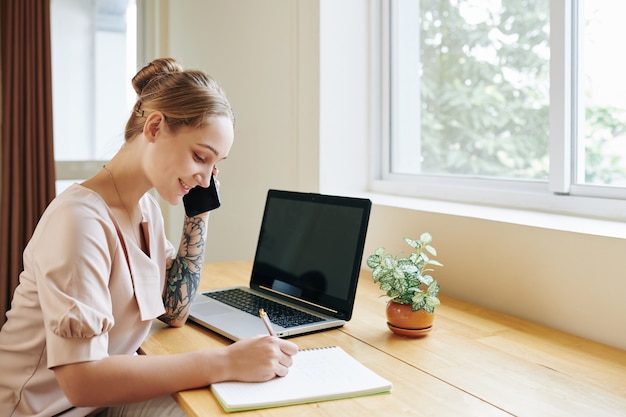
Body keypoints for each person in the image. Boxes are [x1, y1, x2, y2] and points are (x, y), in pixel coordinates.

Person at [0, 57, 299, 417]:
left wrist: (198, 215)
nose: (206, 178)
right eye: (200, 157)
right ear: (155, 127)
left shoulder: (147, 212)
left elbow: (174, 310)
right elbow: (82, 380)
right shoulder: (79, 221)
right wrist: (227, 361)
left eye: (214, 165)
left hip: (98, 405)